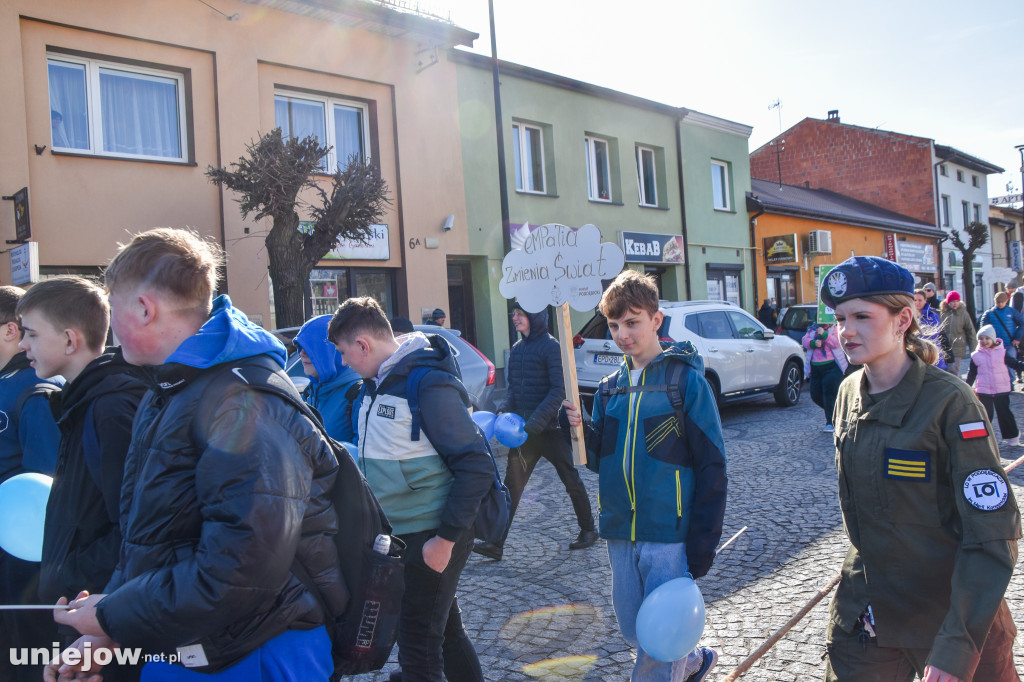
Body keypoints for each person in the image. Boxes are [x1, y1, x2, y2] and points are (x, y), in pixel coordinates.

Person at [51, 228, 342, 681]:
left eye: (113, 307)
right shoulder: (173, 388)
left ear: (145, 309)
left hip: (253, 653)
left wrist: (113, 616)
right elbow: (155, 541)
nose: (108, 327)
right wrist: (112, 630)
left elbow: (238, 573)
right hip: (192, 648)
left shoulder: (241, 399)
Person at [822, 256, 1021, 682]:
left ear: (902, 319)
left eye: (861, 316)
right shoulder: (847, 393)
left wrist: (956, 648)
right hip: (870, 615)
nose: (846, 331)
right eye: (839, 318)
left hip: (951, 615)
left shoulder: (951, 402)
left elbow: (992, 535)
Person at [561, 270, 726, 682]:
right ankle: (688, 663)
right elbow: (600, 461)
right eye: (614, 325)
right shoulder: (608, 389)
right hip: (620, 529)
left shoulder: (685, 382)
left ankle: (669, 666)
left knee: (657, 640)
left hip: (668, 533)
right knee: (636, 628)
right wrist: (581, 432)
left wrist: (702, 541)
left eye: (632, 322)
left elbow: (713, 466)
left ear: (656, 320)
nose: (622, 334)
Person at [328, 297, 494, 682]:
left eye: (344, 351)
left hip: (431, 536)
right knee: (445, 634)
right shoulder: (376, 383)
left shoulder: (427, 383)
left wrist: (445, 541)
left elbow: (476, 464)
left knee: (418, 646)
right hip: (404, 535)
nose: (344, 362)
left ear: (364, 345)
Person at [16, 277, 146, 681]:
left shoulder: (109, 407)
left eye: (32, 334)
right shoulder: (85, 400)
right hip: (87, 609)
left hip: (104, 615)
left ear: (70, 340)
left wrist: (70, 572)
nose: (24, 345)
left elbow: (135, 525)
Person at [473, 302, 597, 561]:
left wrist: (537, 422)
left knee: (570, 480)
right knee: (511, 488)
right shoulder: (517, 350)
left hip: (550, 431)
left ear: (534, 316)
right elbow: (514, 391)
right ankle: (496, 543)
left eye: (520, 314)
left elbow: (557, 390)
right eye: (514, 314)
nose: (515, 318)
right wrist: (504, 410)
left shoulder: (551, 347)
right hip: (523, 433)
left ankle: (588, 530)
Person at [0, 286, 62, 682]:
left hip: (25, 563)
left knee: (24, 657)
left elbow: (47, 482)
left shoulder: (36, 391)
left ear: (9, 331)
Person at [294, 314, 362, 443]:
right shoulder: (309, 393)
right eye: (300, 347)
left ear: (331, 349)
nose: (301, 353)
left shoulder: (357, 394)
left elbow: (362, 458)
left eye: (310, 347)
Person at [966, 325, 1024, 447]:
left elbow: (1015, 364)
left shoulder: (1002, 353)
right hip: (983, 390)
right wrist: (965, 387)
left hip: (1001, 389)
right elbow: (971, 374)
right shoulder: (976, 355)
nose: (984, 341)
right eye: (981, 338)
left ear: (993, 339)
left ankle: (1012, 436)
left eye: (987, 338)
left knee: (1004, 413)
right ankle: (984, 439)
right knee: (985, 415)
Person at [801, 322, 848, 432]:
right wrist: (812, 343)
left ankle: (830, 422)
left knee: (829, 394)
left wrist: (825, 335)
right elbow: (805, 340)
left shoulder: (834, 328)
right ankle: (835, 412)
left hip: (831, 367)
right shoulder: (812, 329)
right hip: (815, 369)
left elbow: (837, 343)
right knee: (815, 394)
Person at [979, 291, 1024, 382]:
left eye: (1001, 302)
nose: (999, 304)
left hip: (1009, 343)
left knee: (1011, 364)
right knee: (996, 366)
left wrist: (1017, 338)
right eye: (997, 302)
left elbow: (1022, 323)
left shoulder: (1012, 312)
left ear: (1006, 301)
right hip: (994, 345)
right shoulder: (989, 313)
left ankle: (1010, 383)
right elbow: (983, 329)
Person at [939, 291, 975, 377]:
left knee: (953, 370)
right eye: (952, 302)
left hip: (958, 346)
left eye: (956, 301)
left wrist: (973, 349)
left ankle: (953, 389)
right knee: (944, 371)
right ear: (948, 302)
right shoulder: (942, 313)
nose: (954, 304)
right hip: (944, 347)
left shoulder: (963, 314)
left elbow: (971, 331)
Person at [912, 288, 948, 370]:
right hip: (917, 357)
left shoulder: (932, 315)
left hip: (932, 356)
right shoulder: (909, 315)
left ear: (925, 300)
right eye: (915, 300)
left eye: (920, 300)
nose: (917, 303)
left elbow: (931, 335)